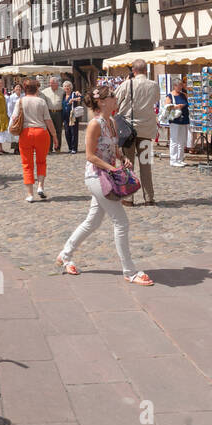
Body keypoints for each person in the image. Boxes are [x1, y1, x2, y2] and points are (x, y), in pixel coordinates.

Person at [56, 83, 153, 285]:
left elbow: (113, 148)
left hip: (107, 176)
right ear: (102, 101)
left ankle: (65, 255)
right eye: (113, 97)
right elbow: (90, 156)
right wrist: (111, 168)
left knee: (93, 221)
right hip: (96, 177)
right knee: (121, 222)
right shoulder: (95, 124)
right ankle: (130, 271)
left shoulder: (112, 122)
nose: (116, 99)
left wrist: (122, 158)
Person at [114, 60, 160, 206]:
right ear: (146, 70)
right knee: (146, 164)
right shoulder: (154, 85)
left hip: (129, 131)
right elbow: (156, 100)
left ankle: (128, 198)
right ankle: (149, 197)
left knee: (128, 163)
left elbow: (115, 99)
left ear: (133, 70)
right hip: (147, 129)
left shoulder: (127, 84)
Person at [15, 77, 57, 202]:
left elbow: (14, 117)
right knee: (41, 161)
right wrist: (54, 136)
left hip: (26, 133)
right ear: (37, 89)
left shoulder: (21, 101)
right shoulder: (41, 102)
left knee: (27, 164)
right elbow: (48, 120)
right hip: (41, 133)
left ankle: (30, 194)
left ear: (25, 89)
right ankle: (40, 186)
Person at [164, 76, 190, 167]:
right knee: (174, 139)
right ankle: (173, 159)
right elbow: (167, 106)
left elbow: (188, 103)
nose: (180, 87)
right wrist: (177, 106)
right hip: (175, 120)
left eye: (181, 86)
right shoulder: (170, 95)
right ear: (174, 86)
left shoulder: (183, 95)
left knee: (182, 140)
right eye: (179, 86)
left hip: (184, 119)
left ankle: (180, 158)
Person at [39, 76, 63, 152]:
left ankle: (57, 148)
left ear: (57, 84)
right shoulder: (45, 91)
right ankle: (49, 148)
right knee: (49, 131)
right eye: (51, 83)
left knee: (58, 131)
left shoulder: (62, 90)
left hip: (59, 112)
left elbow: (70, 93)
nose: (52, 85)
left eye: (53, 83)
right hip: (49, 112)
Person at [61, 80, 81, 154]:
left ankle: (74, 148)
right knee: (67, 132)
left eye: (68, 86)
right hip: (65, 116)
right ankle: (69, 147)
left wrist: (73, 99)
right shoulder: (63, 95)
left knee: (73, 132)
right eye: (65, 86)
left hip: (72, 116)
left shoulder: (74, 94)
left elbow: (80, 97)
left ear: (71, 87)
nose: (67, 88)